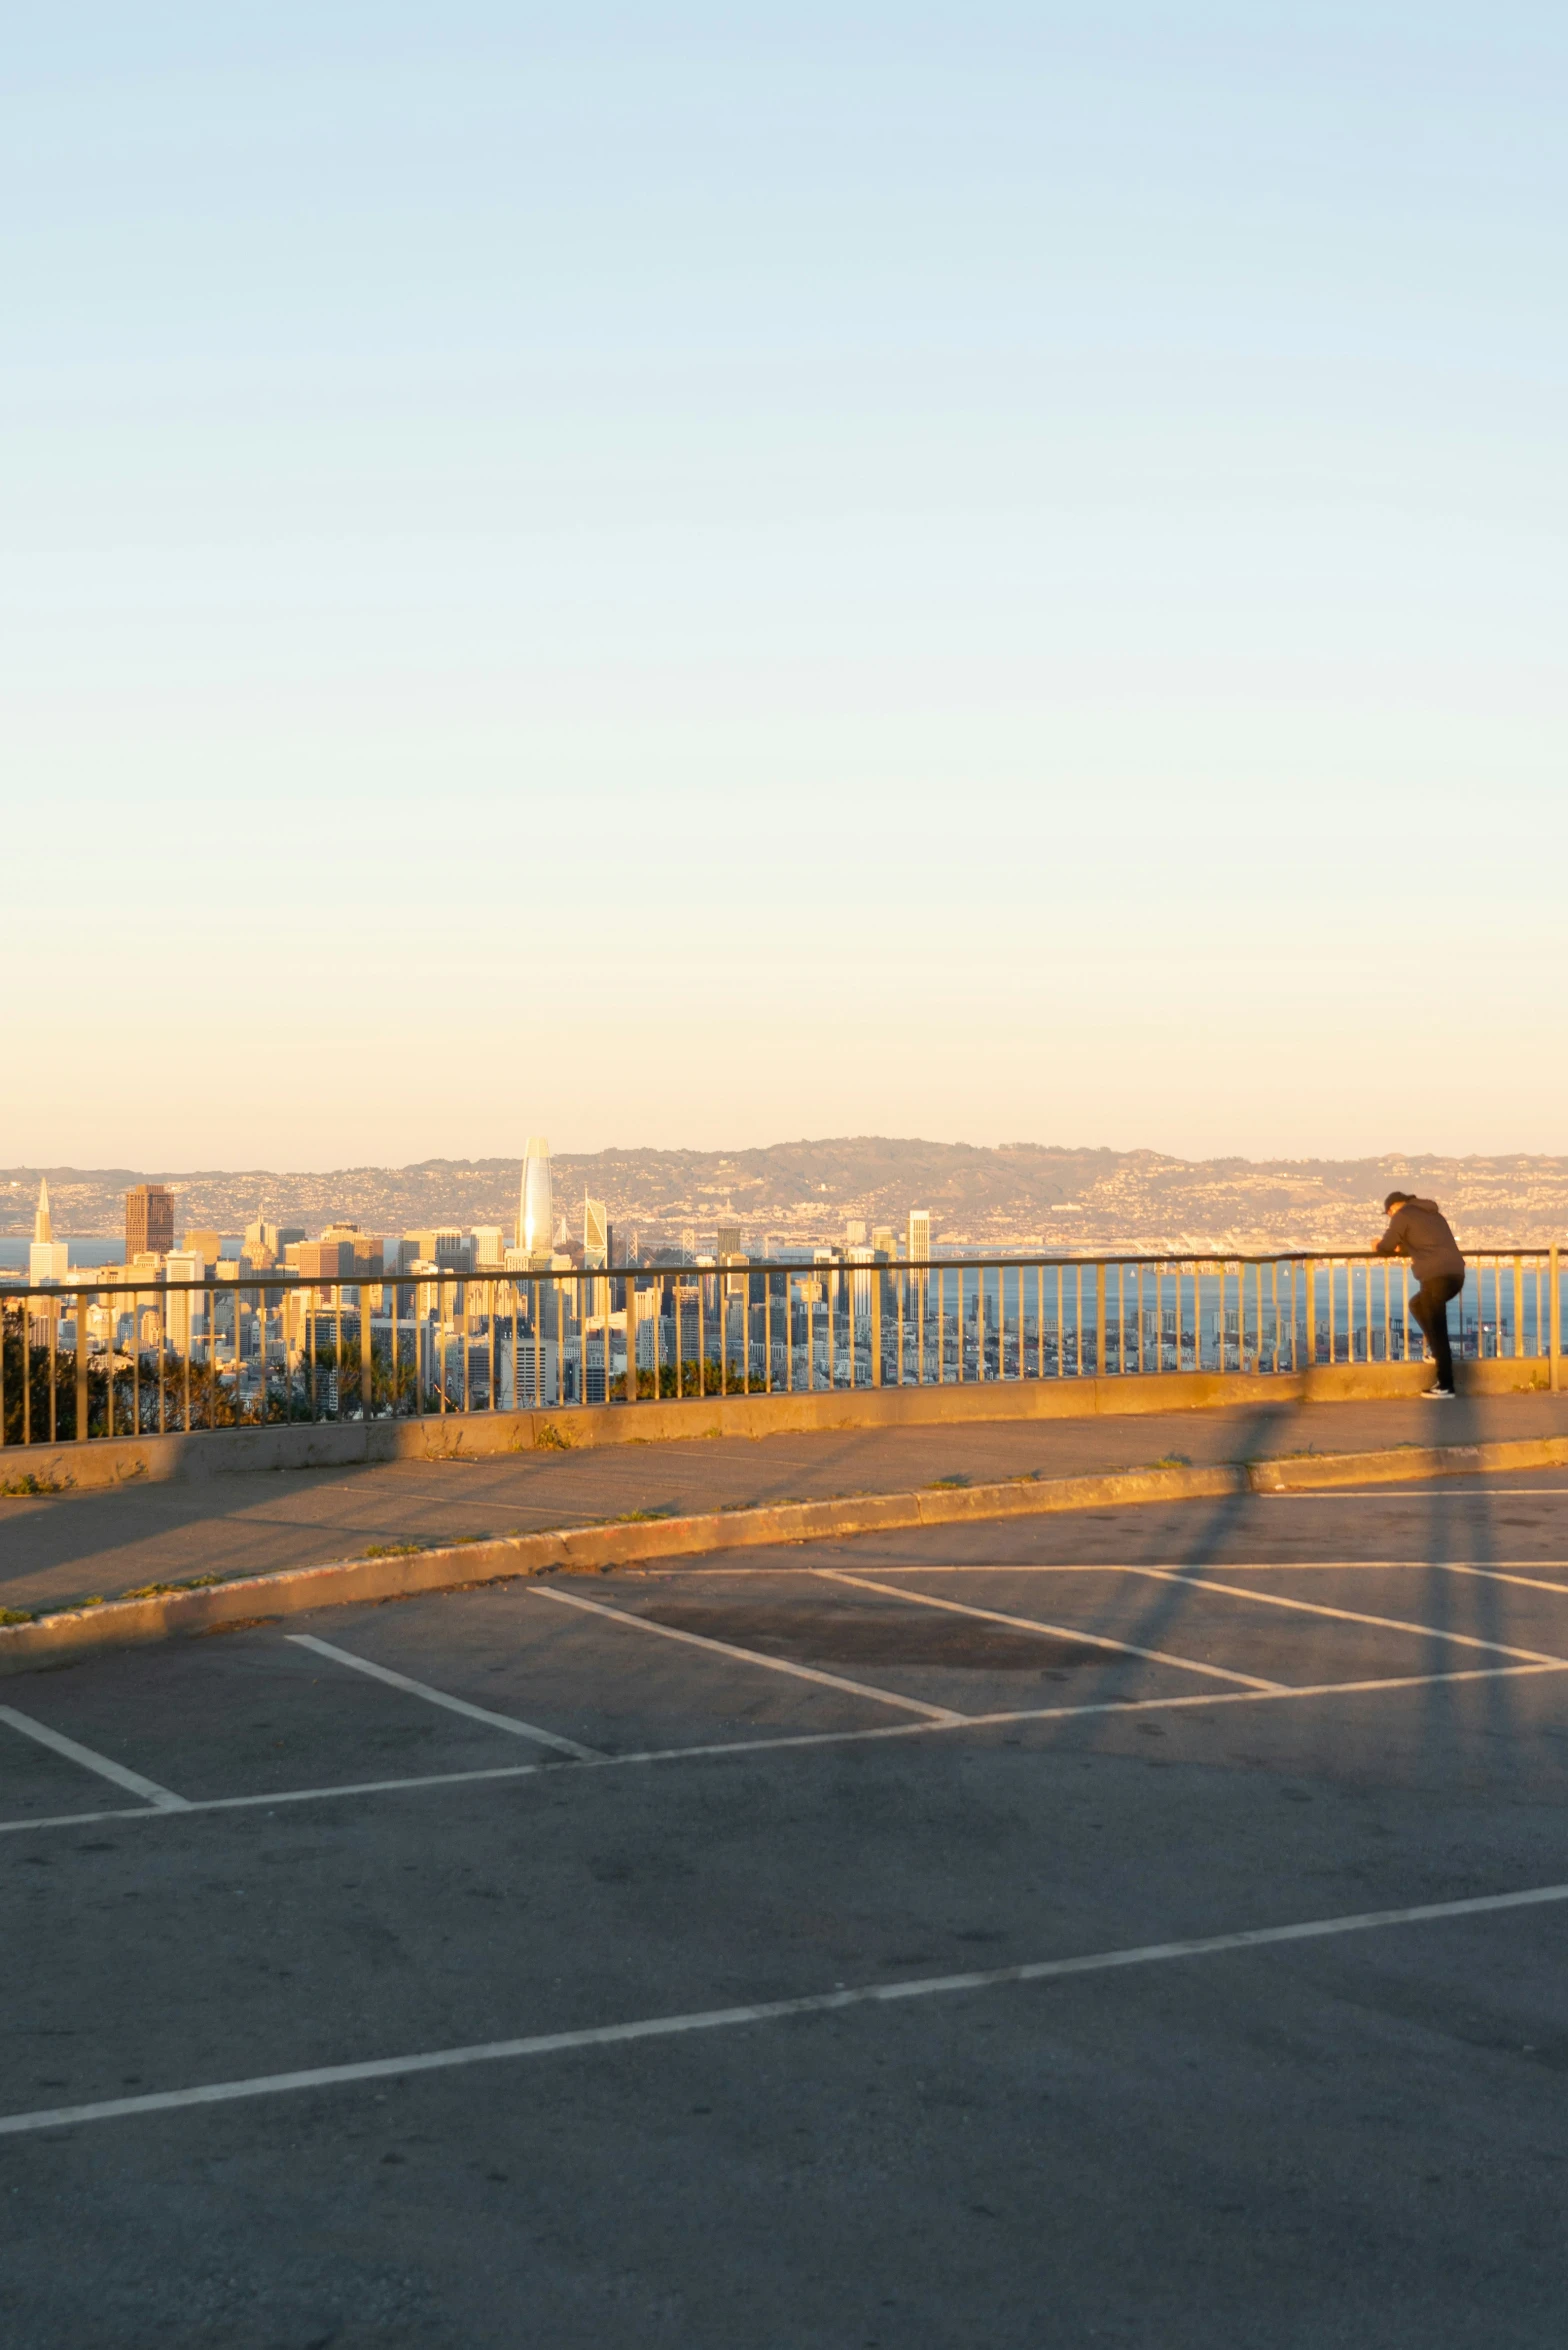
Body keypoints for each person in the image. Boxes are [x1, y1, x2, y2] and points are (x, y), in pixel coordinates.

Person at [1375, 1191, 1465, 1398]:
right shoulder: (1433, 1215)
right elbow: (1423, 1243)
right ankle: (1436, 1353)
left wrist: (1376, 1246)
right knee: (1417, 1304)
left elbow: (1385, 1247)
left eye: (1389, 1213)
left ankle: (1445, 1385)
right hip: (1456, 1275)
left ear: (1393, 1207)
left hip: (1436, 1277)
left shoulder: (1403, 1215)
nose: (1390, 1218)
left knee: (1438, 1328)